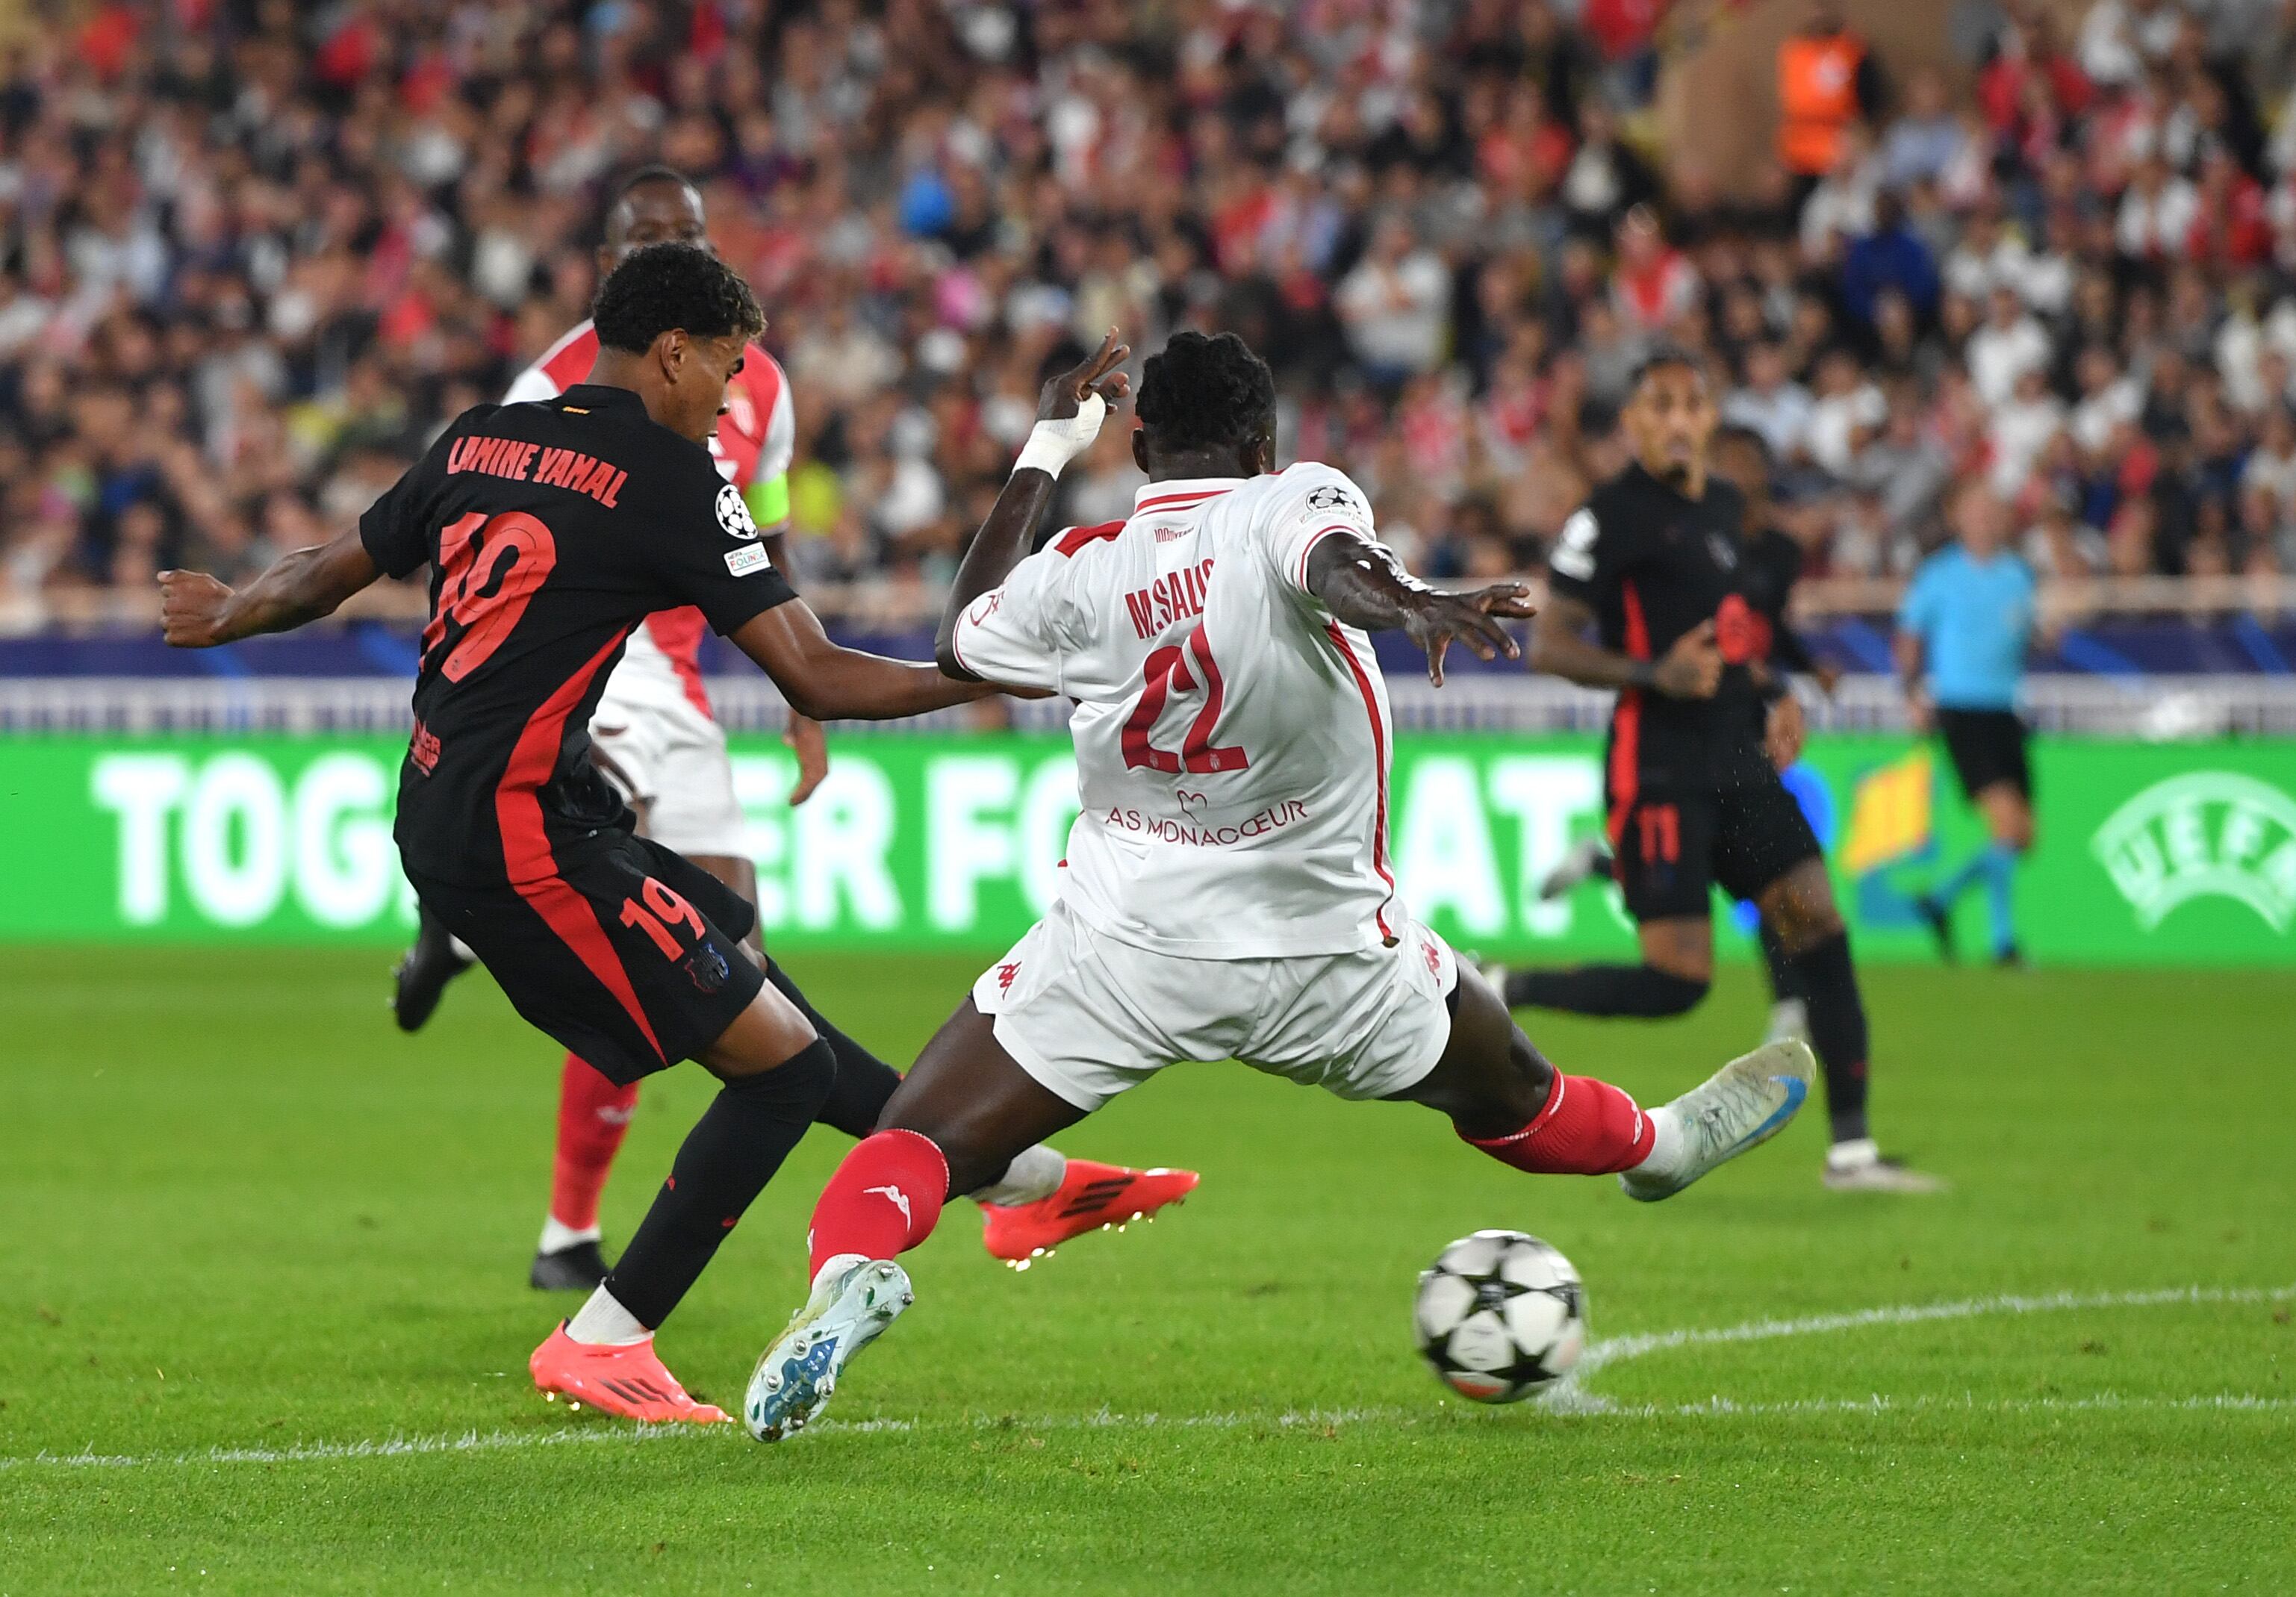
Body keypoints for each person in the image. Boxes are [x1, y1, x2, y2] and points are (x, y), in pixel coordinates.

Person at [738, 329, 1816, 1442]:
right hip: (1327, 952)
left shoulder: (1081, 565)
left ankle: (851, 1274)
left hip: (1125, 947)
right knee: (1512, 1094)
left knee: (910, 1141)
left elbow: (964, 636)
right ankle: (1658, 1147)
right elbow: (1330, 563)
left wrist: (1047, 445)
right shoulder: (1286, 498)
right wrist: (1406, 601)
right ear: (1263, 441)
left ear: (1141, 441)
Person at [154, 245, 1163, 1425]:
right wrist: (997, 674)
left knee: (750, 974)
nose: (731, 398)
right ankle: (606, 1334)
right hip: (522, 836)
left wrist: (226, 611)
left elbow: (326, 573)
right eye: (727, 369)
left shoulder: (483, 433)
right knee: (777, 1068)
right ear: (673, 352)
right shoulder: (670, 474)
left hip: (493, 803)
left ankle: (1006, 1176)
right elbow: (816, 675)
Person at [390, 167, 1191, 1291]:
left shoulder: (754, 375)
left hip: (688, 684)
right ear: (610, 260)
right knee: (623, 911)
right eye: (639, 238)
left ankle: (1013, 1179)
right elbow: (487, 540)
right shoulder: (554, 381)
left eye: (679, 234)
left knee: (738, 971)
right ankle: (570, 1226)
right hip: (594, 672)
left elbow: (764, 548)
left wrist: (799, 708)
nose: (655, 251)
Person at [1480, 352, 1938, 1196]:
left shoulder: (1727, 510)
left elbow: (1735, 638)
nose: (1681, 418)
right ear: (1637, 424)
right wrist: (1655, 673)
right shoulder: (1608, 516)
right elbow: (1551, 643)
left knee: (1820, 926)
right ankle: (1510, 985)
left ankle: (1852, 1153)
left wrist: (1778, 691)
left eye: (1695, 402)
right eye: (1662, 404)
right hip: (1657, 767)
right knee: (1677, 982)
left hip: (1739, 755)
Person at [1527, 423, 1840, 1050]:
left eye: (1744, 466)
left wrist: (1799, 671)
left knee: (1769, 871)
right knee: (1741, 877)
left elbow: (1763, 627)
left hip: (1743, 718)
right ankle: (1787, 1007)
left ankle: (1786, 1005)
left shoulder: (1774, 550)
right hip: (1683, 722)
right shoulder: (1680, 539)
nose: (1731, 478)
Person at [1897, 482, 2039, 966]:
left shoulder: (2018, 575)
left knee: (2022, 835)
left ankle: (1937, 900)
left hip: (2005, 711)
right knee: (2005, 823)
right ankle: (2003, 943)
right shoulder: (1939, 573)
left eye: (1990, 509)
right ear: (1958, 518)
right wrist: (1911, 692)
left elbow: (2025, 636)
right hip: (1960, 710)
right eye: (1973, 510)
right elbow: (1909, 634)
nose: (1983, 519)